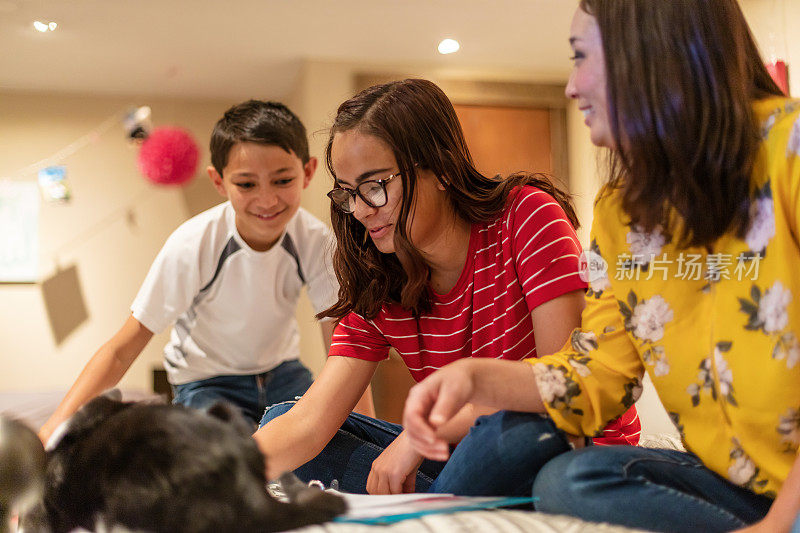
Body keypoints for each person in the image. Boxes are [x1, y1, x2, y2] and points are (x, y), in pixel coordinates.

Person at [402, 1, 800, 532]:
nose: (571, 87)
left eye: (581, 57)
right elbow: (599, 375)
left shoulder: (789, 148)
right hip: (734, 485)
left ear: (650, 52)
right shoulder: (620, 210)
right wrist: (474, 377)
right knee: (568, 481)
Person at [253, 78, 640, 496]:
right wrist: (204, 480)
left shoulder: (526, 217)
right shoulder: (381, 277)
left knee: (512, 434)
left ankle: (437, 503)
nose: (361, 211)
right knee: (279, 421)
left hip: (562, 446)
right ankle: (442, 502)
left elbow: (560, 386)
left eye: (376, 186)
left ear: (440, 168)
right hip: (466, 454)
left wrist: (418, 436)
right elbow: (309, 423)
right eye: (348, 193)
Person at [39, 100, 372, 443]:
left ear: (308, 172)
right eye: (246, 184)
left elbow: (345, 343)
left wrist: (368, 435)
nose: (267, 200)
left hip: (283, 375)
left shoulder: (315, 240)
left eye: (282, 180)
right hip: (207, 381)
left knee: (334, 443)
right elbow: (123, 348)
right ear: (218, 181)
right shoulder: (192, 244)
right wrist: (51, 429)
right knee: (220, 465)